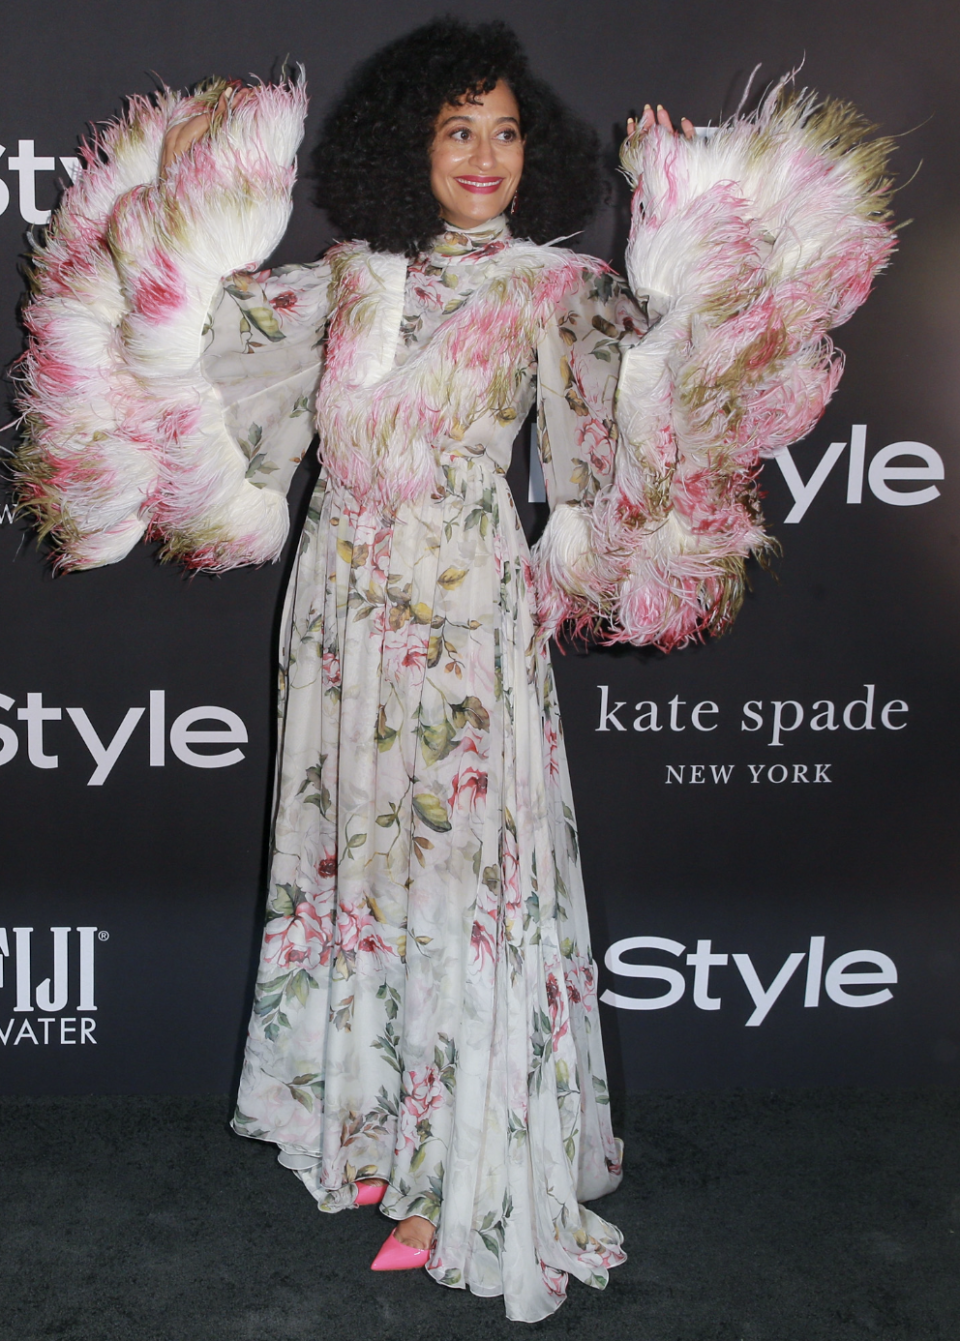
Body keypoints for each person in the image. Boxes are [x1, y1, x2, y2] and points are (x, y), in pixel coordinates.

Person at [14, 18, 894, 1323]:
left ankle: (463, 1170)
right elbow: (198, 371)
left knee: (457, 879)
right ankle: (376, 1123)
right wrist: (162, 252)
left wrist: (698, 327)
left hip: (467, 612)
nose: (482, 153)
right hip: (341, 607)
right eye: (456, 127)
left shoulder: (559, 293)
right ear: (408, 144)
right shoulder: (344, 282)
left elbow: (612, 455)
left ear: (528, 152)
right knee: (362, 867)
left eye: (503, 130)